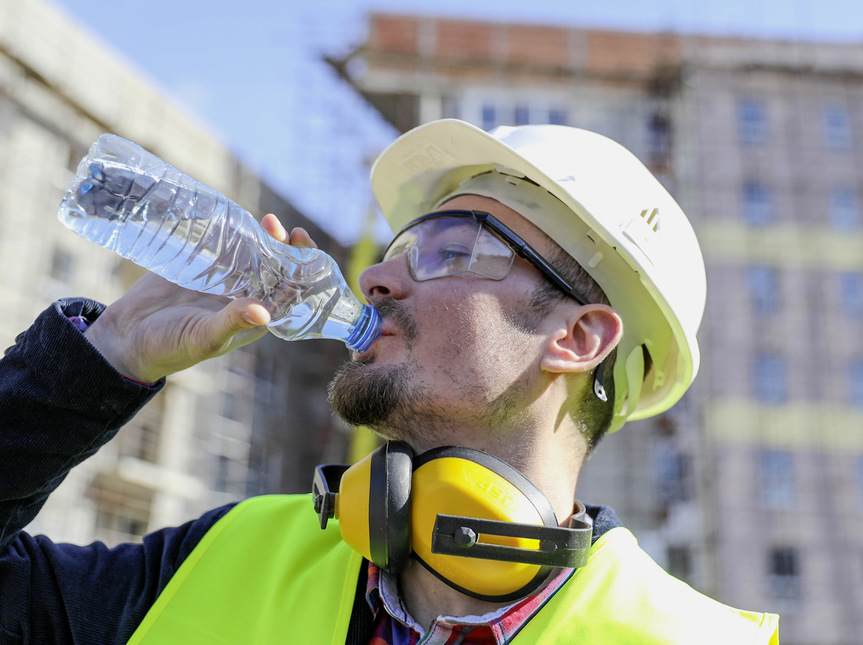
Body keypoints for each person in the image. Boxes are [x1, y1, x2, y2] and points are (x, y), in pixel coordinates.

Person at [0, 119, 779, 643]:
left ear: (577, 338)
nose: (374, 276)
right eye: (399, 248)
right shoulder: (227, 553)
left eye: (450, 250)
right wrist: (101, 358)